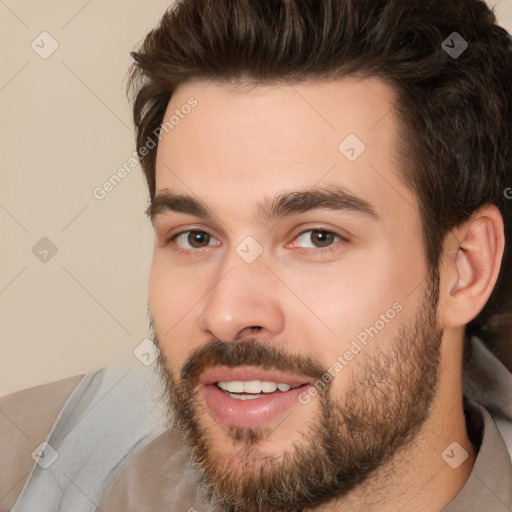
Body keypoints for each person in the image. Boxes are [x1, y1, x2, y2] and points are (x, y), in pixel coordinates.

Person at [2, 0, 512, 511]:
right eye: (196, 237)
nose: (226, 314)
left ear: (464, 269)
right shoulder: (31, 467)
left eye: (317, 237)